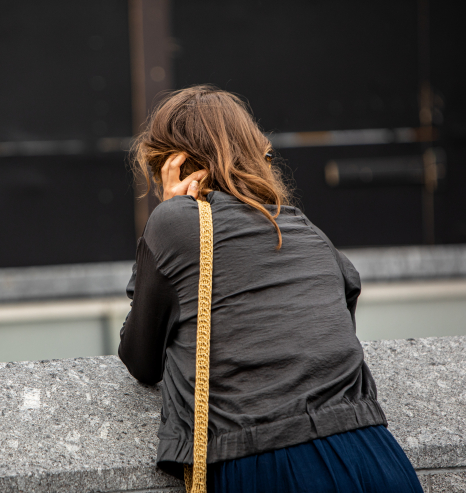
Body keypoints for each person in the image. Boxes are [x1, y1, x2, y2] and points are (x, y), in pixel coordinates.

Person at [118, 85, 423, 493]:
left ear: (174, 167)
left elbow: (140, 358)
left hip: (274, 465)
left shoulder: (173, 223)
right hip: (378, 456)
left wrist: (171, 208)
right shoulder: (308, 231)